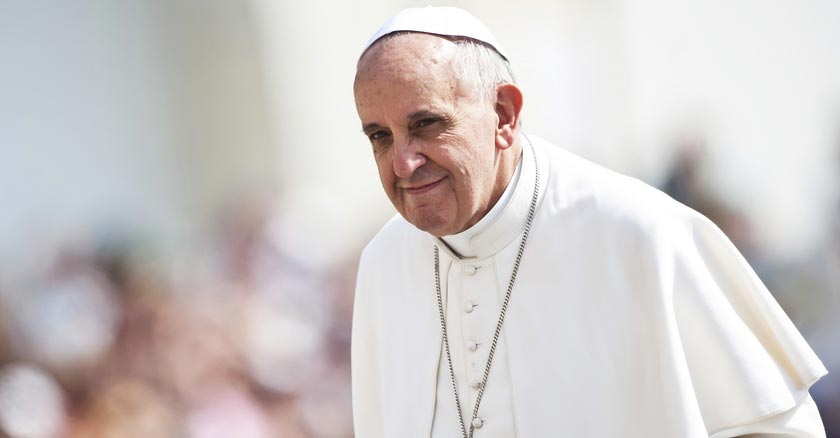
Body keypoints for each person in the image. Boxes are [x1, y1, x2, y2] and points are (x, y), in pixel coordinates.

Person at [351, 6, 828, 438]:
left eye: (426, 125)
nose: (403, 164)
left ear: (503, 114)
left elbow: (779, 430)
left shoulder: (639, 233)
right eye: (380, 136)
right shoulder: (383, 266)